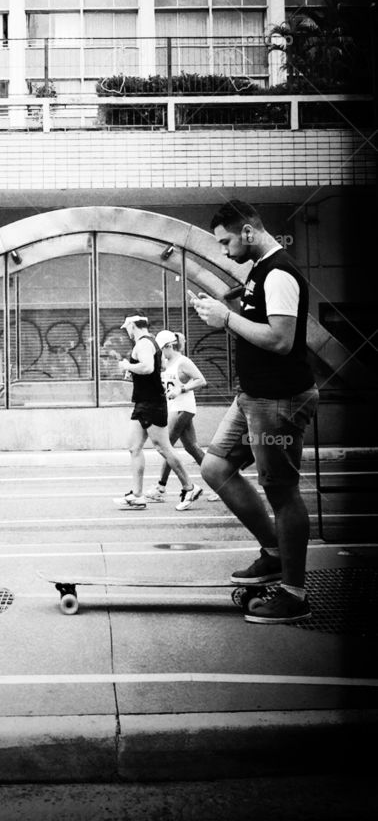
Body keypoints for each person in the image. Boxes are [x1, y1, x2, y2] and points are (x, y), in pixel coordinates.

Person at [191, 198, 319, 624]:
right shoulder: (258, 272)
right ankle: (274, 552)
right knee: (214, 468)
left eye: (227, 241)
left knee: (281, 491)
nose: (224, 250)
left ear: (248, 231)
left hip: (278, 401)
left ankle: (294, 593)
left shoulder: (278, 272)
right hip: (253, 396)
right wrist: (219, 312)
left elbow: (282, 340)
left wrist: (225, 320)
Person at [112, 314, 203, 510]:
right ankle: (137, 495)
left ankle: (190, 487)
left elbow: (147, 367)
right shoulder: (152, 342)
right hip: (143, 403)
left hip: (152, 403)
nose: (126, 332)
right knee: (134, 447)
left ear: (133, 326)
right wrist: (134, 371)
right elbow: (158, 368)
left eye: (127, 328)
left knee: (163, 448)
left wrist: (127, 365)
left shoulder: (144, 343)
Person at [146, 331, 218, 503]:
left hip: (182, 408)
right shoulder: (166, 362)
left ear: (169, 346)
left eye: (160, 350)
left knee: (166, 446)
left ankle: (160, 487)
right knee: (191, 447)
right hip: (174, 407)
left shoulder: (183, 361)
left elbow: (201, 380)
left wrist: (182, 389)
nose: (159, 354)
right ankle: (220, 482)